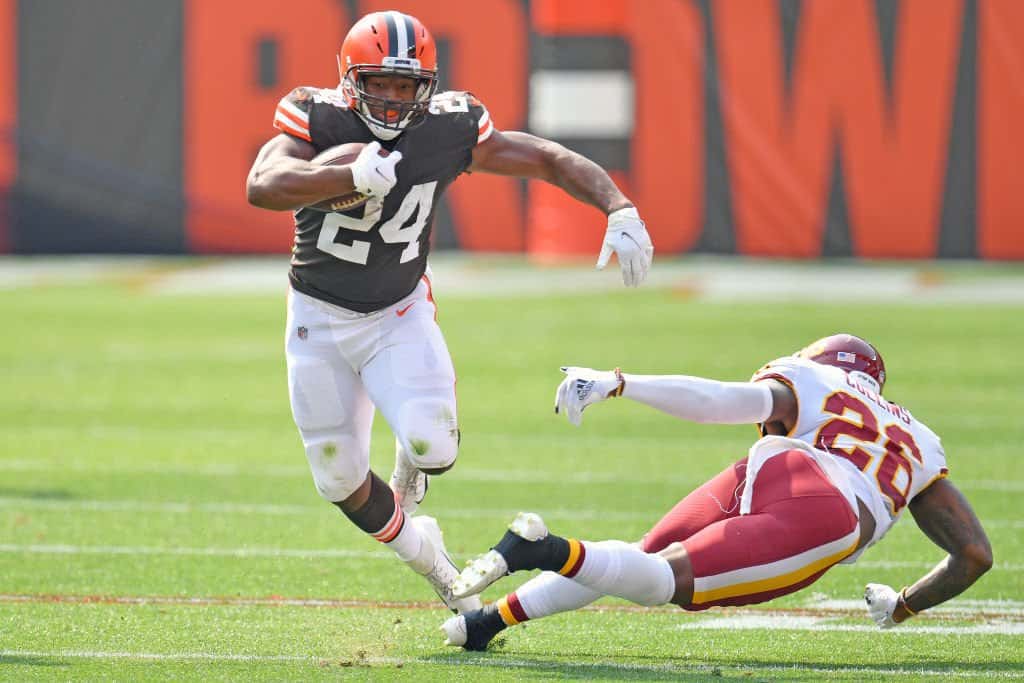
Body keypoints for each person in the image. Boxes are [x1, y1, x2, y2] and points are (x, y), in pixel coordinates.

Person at [245, 10, 654, 614]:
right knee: (336, 477)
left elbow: (544, 157)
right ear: (350, 79)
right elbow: (262, 182)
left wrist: (617, 205)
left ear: (426, 87)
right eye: (378, 82)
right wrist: (342, 172)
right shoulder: (319, 118)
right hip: (317, 316)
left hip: (397, 312)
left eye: (404, 85)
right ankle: (432, 559)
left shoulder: (446, 129)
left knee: (434, 447)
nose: (390, 98)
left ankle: (413, 458)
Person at [441, 334, 992, 649]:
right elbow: (973, 555)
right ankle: (540, 549)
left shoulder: (811, 380)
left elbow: (721, 400)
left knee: (639, 559)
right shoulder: (919, 440)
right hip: (830, 511)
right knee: (660, 583)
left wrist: (622, 383)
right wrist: (900, 608)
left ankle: (484, 623)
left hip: (774, 468)